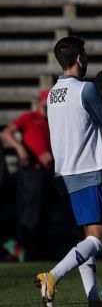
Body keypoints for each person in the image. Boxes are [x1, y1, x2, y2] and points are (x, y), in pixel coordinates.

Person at [34, 36, 102, 307]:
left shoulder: (52, 93)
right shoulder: (85, 90)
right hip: (86, 170)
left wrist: (100, 93)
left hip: (64, 174)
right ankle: (52, 276)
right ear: (80, 59)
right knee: (97, 239)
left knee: (85, 240)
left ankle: (93, 300)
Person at [2, 89, 54, 261]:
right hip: (32, 172)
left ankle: (37, 252)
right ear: (40, 102)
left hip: (46, 172)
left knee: (44, 212)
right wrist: (20, 149)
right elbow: (6, 133)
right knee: (31, 212)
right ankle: (25, 250)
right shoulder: (29, 118)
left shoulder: (50, 121)